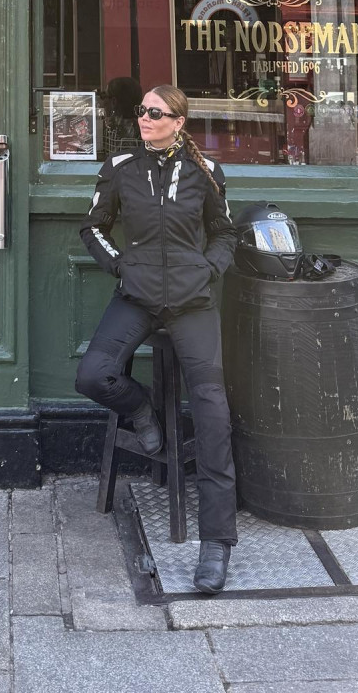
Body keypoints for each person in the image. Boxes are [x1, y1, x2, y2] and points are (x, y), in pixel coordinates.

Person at [76, 84, 239, 594]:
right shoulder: (120, 168)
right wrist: (122, 267)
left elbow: (225, 233)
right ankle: (142, 409)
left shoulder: (205, 173)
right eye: (142, 111)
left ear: (178, 122)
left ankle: (217, 543)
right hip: (137, 295)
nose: (144, 118)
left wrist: (208, 270)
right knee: (93, 375)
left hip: (192, 302)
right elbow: (93, 228)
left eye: (155, 112)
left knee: (211, 411)